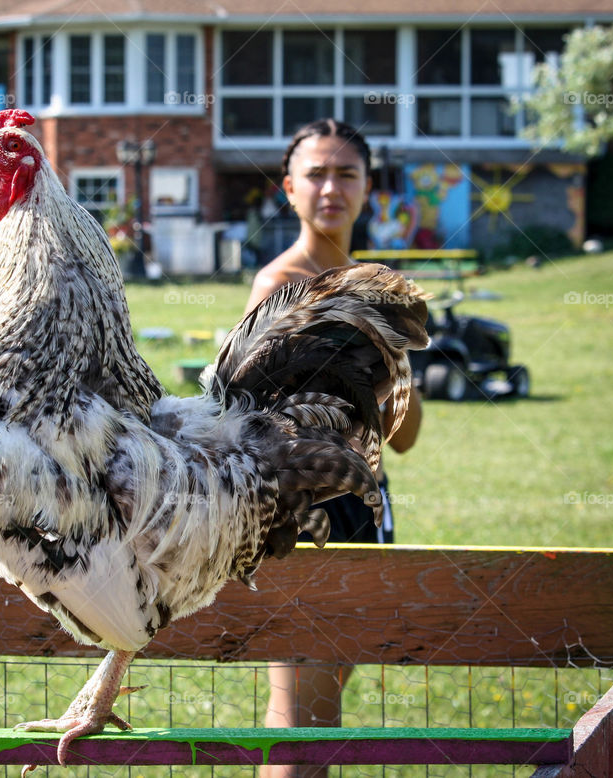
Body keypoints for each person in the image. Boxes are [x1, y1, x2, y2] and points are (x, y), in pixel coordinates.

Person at [245, 119, 423, 778]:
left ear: (368, 187)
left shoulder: (378, 288)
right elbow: (254, 428)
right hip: (303, 519)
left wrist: (393, 359)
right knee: (301, 720)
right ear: (289, 189)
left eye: (345, 173)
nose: (330, 187)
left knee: (317, 717)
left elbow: (404, 437)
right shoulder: (278, 288)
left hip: (368, 511)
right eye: (315, 174)